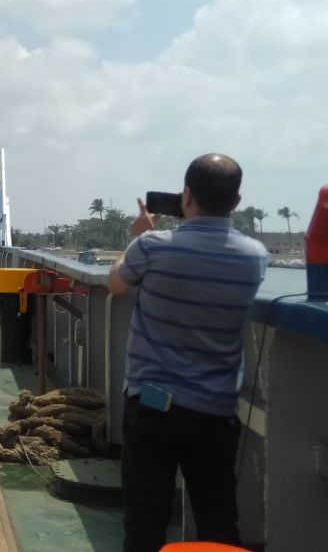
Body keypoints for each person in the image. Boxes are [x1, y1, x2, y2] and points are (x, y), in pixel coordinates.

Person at [107, 153, 267, 552]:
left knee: (145, 524)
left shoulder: (152, 246)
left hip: (152, 408)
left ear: (186, 195)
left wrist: (136, 237)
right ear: (236, 201)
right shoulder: (255, 255)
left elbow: (116, 284)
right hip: (215, 412)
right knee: (217, 522)